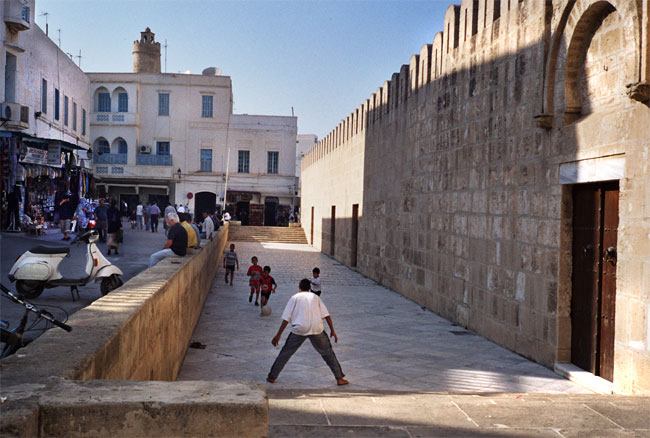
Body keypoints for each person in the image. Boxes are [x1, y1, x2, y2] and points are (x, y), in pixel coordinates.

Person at [267, 279, 348, 386]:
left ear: (299, 287)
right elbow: (326, 315)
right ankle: (339, 378)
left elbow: (286, 318)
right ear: (309, 288)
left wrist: (278, 335)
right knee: (328, 353)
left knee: (286, 353)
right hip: (316, 328)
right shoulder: (316, 297)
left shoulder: (294, 298)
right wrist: (332, 330)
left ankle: (272, 376)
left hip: (300, 328)